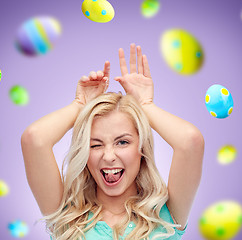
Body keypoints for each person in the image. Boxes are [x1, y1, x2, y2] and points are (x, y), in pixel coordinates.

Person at [21, 43, 204, 240]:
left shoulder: (165, 216)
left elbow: (190, 141)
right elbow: (35, 138)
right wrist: (80, 105)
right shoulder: (67, 218)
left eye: (122, 142)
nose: (108, 156)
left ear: (141, 147)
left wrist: (145, 105)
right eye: (95, 145)